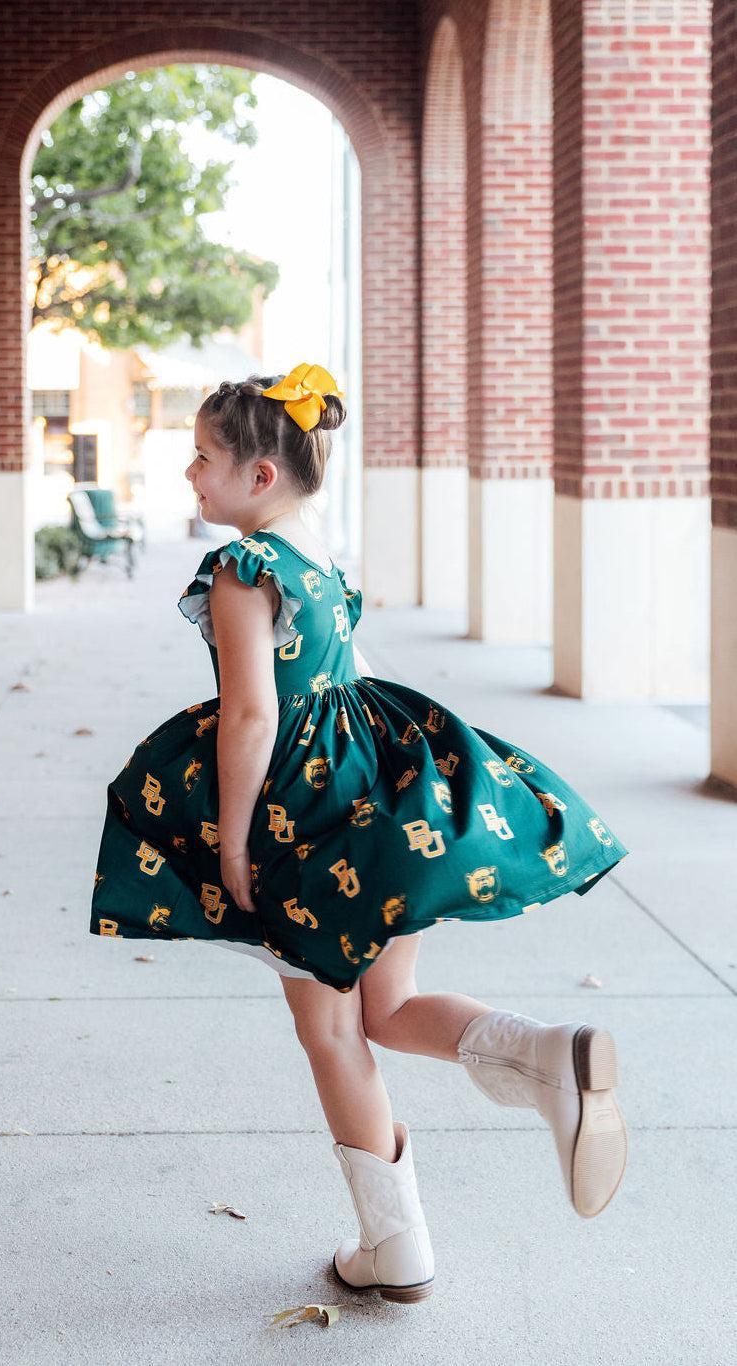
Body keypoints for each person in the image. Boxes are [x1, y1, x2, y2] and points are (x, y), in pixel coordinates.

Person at [89, 362, 630, 1304]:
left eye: (202, 458)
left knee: (332, 1031)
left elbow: (252, 716)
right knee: (386, 1006)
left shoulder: (240, 567)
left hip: (298, 814)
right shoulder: (320, 556)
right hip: (371, 792)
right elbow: (350, 669)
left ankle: (397, 1244)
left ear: (259, 477)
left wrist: (231, 839)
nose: (189, 475)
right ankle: (545, 1055)